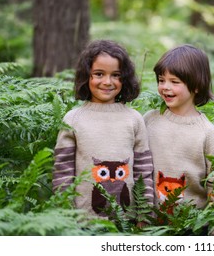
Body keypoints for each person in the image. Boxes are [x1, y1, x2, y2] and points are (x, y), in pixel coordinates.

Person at [53, 40, 154, 224]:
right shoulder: (73, 119)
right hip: (82, 224)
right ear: (86, 76)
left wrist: (144, 217)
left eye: (116, 75)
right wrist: (64, 216)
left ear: (125, 78)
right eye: (99, 74)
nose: (107, 82)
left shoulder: (134, 119)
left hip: (127, 224)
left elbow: (143, 172)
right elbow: (63, 173)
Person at [143, 44, 214, 232]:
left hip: (190, 229)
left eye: (175, 82)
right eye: (161, 80)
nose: (165, 87)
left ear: (197, 85)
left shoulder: (208, 134)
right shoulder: (149, 120)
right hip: (147, 226)